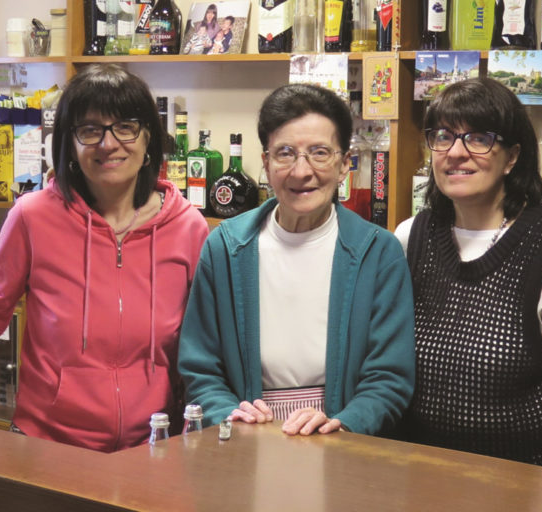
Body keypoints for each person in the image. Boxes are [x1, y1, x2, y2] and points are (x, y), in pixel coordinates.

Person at [0, 64, 210, 453]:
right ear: (69, 143)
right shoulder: (33, 217)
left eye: (125, 127)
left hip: (151, 450)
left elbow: (206, 350)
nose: (108, 143)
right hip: (48, 448)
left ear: (148, 138)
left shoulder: (187, 227)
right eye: (90, 130)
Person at [394, 77, 542, 476]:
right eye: (443, 136)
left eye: (478, 138)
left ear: (512, 157)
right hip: (418, 476)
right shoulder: (410, 237)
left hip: (520, 482)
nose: (456, 152)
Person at [178, 83, 415, 437]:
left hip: (344, 444)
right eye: (285, 153)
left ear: (343, 164)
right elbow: (200, 369)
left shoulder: (378, 252)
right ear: (266, 163)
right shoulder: (225, 248)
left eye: (319, 153)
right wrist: (232, 416)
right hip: (245, 441)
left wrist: (345, 423)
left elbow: (389, 376)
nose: (301, 171)